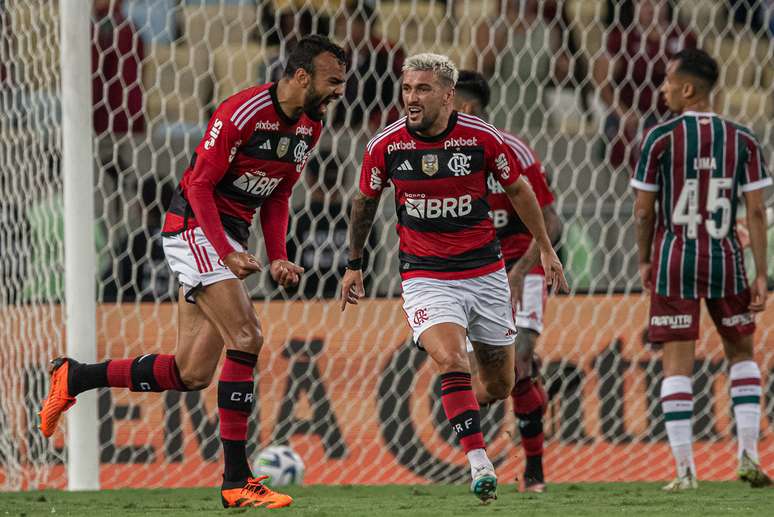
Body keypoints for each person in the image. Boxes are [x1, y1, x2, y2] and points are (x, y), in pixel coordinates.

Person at [38, 35, 347, 509]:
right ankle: (237, 479)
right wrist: (224, 251)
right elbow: (199, 184)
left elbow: (279, 194)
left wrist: (279, 253)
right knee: (246, 337)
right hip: (193, 228)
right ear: (302, 76)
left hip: (227, 237)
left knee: (191, 372)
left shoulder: (311, 126)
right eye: (333, 81)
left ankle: (75, 376)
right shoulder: (242, 113)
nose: (339, 91)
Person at [340, 53, 567, 503]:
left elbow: (521, 191)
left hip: (486, 273)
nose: (411, 98)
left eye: (422, 89)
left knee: (502, 383)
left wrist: (544, 249)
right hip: (426, 274)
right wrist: (354, 262)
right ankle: (480, 463)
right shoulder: (386, 144)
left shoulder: (484, 139)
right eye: (407, 89)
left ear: (449, 96)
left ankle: (474, 405)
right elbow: (364, 203)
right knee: (449, 359)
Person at [632, 48, 772, 491]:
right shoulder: (743, 138)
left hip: (676, 259)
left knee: (677, 363)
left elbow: (642, 212)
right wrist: (762, 273)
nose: (663, 89)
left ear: (688, 89)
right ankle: (748, 455)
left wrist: (644, 258)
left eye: (669, 82)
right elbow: (755, 212)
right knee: (741, 355)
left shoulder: (659, 137)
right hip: (727, 258)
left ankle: (684, 470)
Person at [453, 70, 563, 493]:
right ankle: (486, 457)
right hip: (471, 274)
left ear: (467, 107)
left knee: (518, 360)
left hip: (520, 266)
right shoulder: (437, 153)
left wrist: (519, 271)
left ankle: (533, 469)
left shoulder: (511, 150)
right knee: (487, 381)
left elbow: (550, 221)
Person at [594, 0, 696, 168]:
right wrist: (622, 112)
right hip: (631, 116)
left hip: (672, 116)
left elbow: (706, 79)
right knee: (626, 140)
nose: (650, 7)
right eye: (644, 3)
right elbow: (601, 80)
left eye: (656, 2)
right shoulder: (622, 36)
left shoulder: (683, 36)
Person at [333, 0, 405, 130]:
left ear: (363, 25)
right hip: (343, 130)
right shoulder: (345, 58)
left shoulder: (388, 56)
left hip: (375, 131)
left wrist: (375, 122)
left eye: (345, 22)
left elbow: (399, 100)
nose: (341, 28)